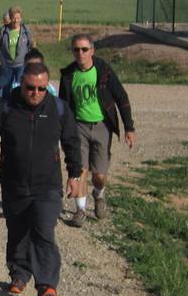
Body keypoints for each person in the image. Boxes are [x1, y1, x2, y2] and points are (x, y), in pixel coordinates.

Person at [0, 62, 81, 296]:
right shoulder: (5, 107)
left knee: (43, 231)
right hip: (14, 184)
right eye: (30, 87)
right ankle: (19, 273)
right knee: (17, 231)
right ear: (21, 84)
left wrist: (74, 174)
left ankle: (46, 285)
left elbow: (72, 141)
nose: (35, 93)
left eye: (41, 88)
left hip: (47, 185)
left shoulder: (58, 109)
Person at [58, 34, 136, 227]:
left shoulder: (104, 71)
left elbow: (121, 97)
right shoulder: (68, 75)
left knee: (99, 175)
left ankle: (99, 193)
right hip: (79, 127)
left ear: (92, 51)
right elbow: (63, 106)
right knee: (80, 169)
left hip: (102, 126)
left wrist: (129, 127)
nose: (80, 53)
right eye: (76, 49)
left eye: (84, 49)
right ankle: (80, 210)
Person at [0, 6, 33, 91]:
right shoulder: (3, 30)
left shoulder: (26, 31)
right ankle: (5, 104)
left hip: (21, 65)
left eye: (18, 18)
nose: (16, 20)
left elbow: (30, 46)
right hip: (7, 65)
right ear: (10, 18)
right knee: (6, 90)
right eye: (14, 18)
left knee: (20, 89)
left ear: (21, 18)